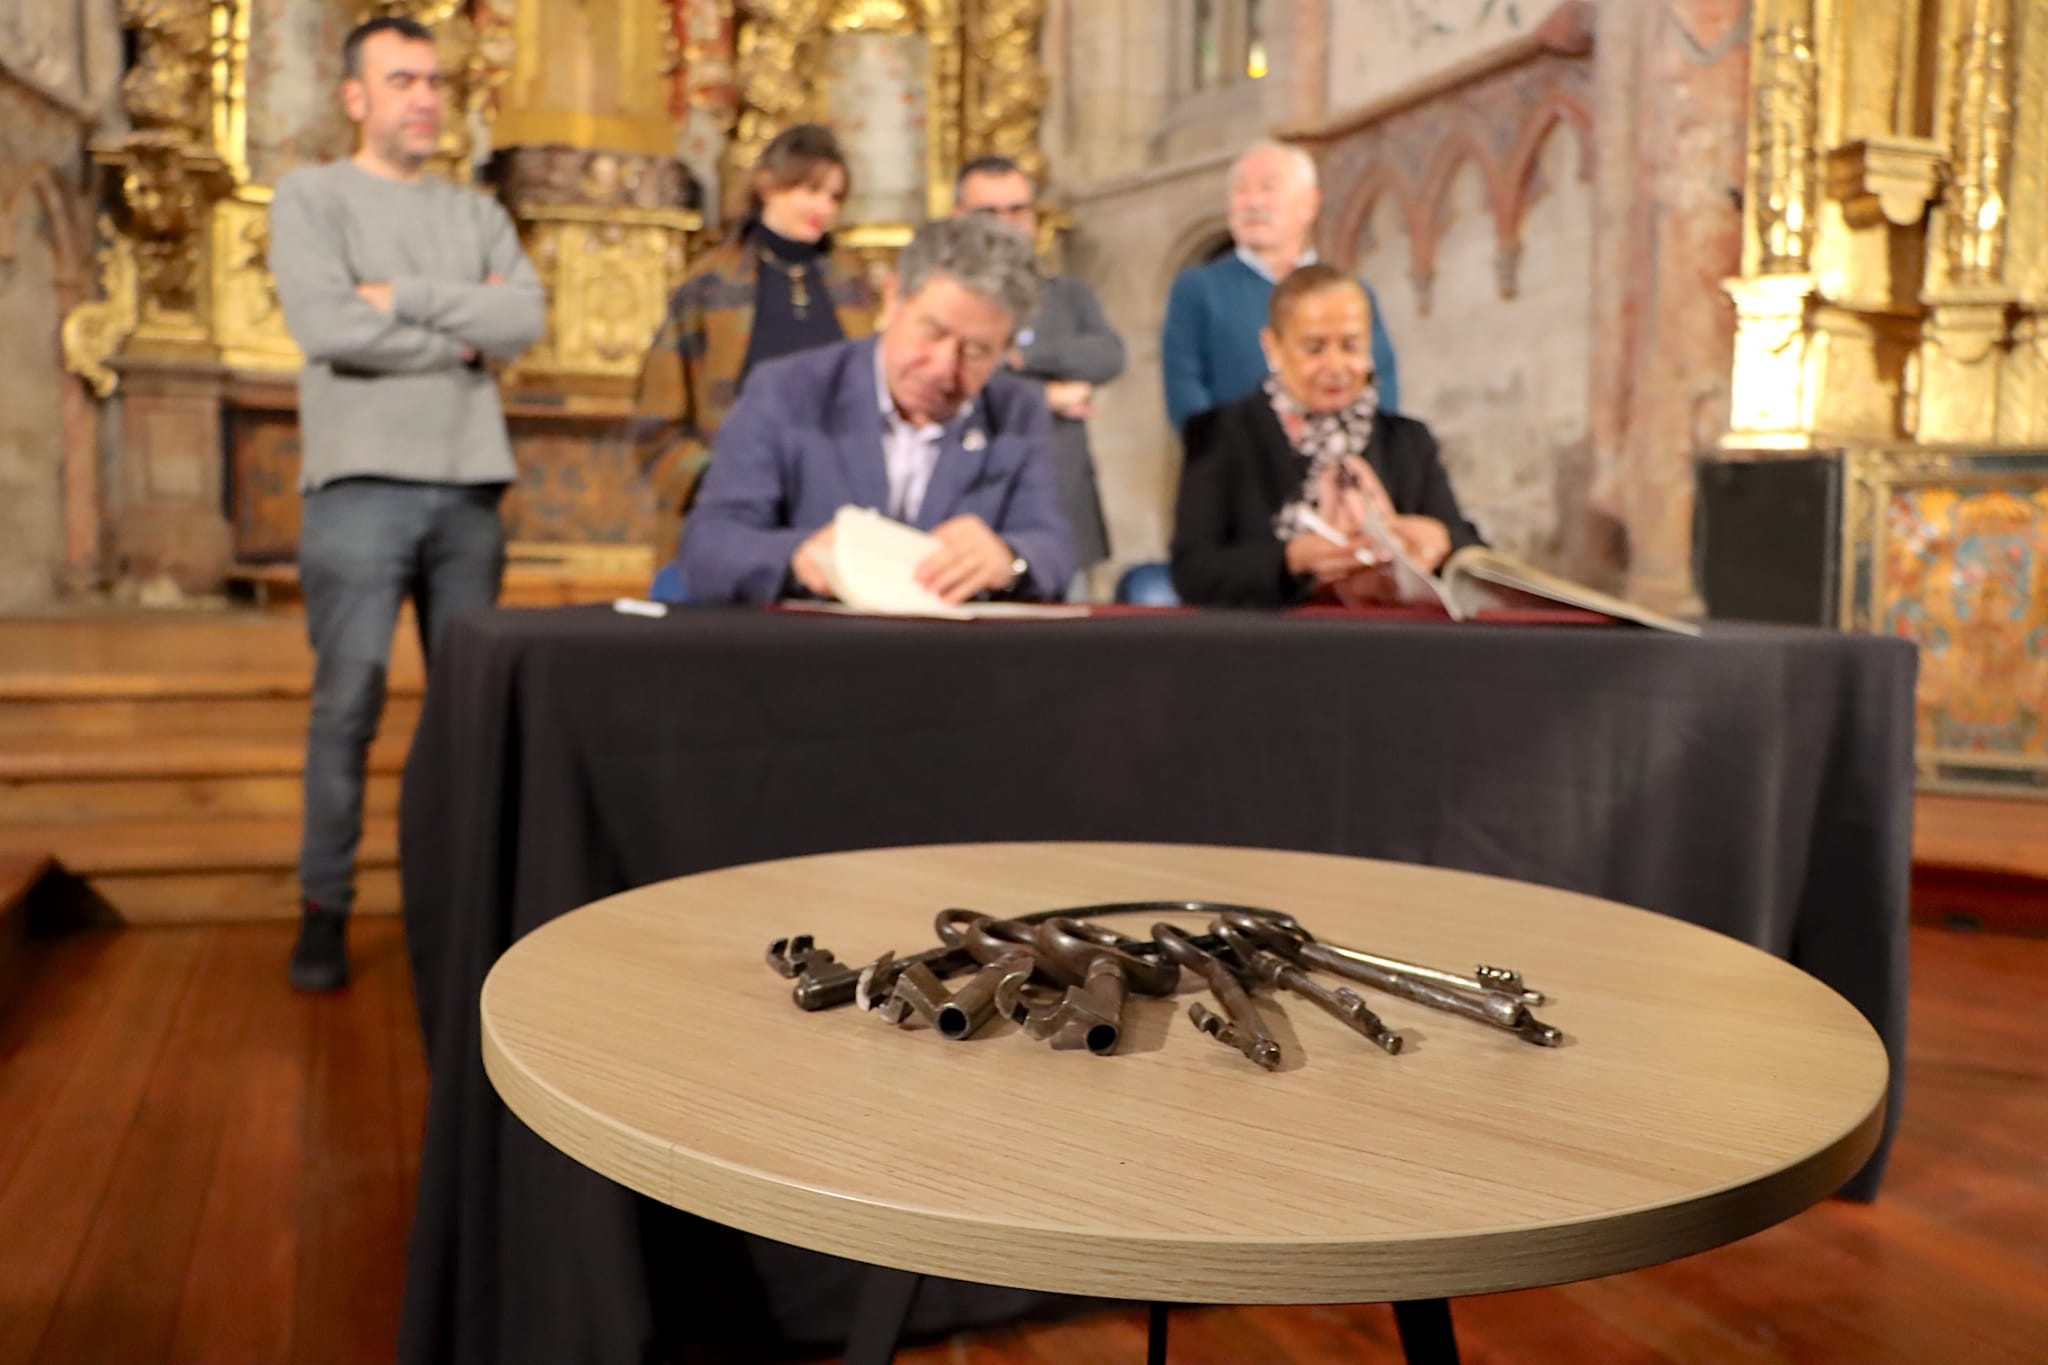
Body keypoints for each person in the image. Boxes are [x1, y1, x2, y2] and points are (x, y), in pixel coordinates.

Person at [268, 14, 544, 991]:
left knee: (467, 712)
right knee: (347, 707)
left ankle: (465, 906)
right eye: (402, 81)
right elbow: (323, 322)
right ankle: (323, 910)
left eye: (433, 80)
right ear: (356, 96)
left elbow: (524, 317)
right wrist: (457, 334)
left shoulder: (476, 213)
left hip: (468, 489)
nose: (425, 97)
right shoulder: (310, 195)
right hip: (357, 491)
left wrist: (399, 297)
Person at [676, 214, 1076, 605]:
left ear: (1006, 351)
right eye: (932, 332)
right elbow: (709, 546)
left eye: (976, 352)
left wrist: (1010, 559)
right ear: (892, 299)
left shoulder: (1016, 411)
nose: (943, 368)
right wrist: (798, 557)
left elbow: (1054, 548)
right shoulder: (787, 391)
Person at [630, 124, 878, 556]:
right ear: (768, 185)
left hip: (840, 510)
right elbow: (659, 413)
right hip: (733, 506)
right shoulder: (709, 285)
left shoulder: (856, 285)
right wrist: (712, 481)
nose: (823, 207)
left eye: (834, 197)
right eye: (810, 189)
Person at [1170, 264, 1478, 607]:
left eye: (1350, 345)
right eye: (1315, 348)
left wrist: (1442, 543)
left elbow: (1473, 551)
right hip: (1274, 647)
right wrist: (1290, 559)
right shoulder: (1217, 435)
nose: (1335, 366)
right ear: (1272, 347)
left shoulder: (1408, 440)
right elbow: (1193, 573)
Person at [953, 155, 1125, 588]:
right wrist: (1047, 397)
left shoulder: (1068, 295)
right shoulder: (946, 302)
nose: (1007, 223)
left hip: (1060, 508)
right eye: (989, 213)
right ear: (960, 218)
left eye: (1017, 210)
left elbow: (1108, 355)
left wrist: (1023, 356)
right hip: (971, 511)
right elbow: (954, 377)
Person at [1161, 140, 1401, 436]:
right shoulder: (1198, 289)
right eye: (1241, 190)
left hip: (1338, 458)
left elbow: (1381, 381)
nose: (1253, 202)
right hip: (1240, 467)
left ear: (1309, 204)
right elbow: (1186, 393)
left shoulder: (1350, 292)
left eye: (1268, 188)